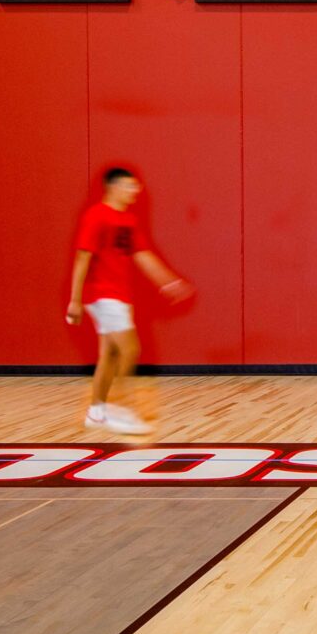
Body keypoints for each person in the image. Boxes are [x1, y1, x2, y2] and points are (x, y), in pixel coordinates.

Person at [66, 168, 192, 435]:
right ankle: (121, 409)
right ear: (113, 187)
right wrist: (74, 300)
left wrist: (168, 282)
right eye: (129, 186)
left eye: (136, 186)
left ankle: (97, 412)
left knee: (110, 355)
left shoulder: (128, 220)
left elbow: (143, 254)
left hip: (118, 295)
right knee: (130, 349)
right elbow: (82, 258)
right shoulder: (96, 216)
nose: (135, 191)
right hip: (102, 294)